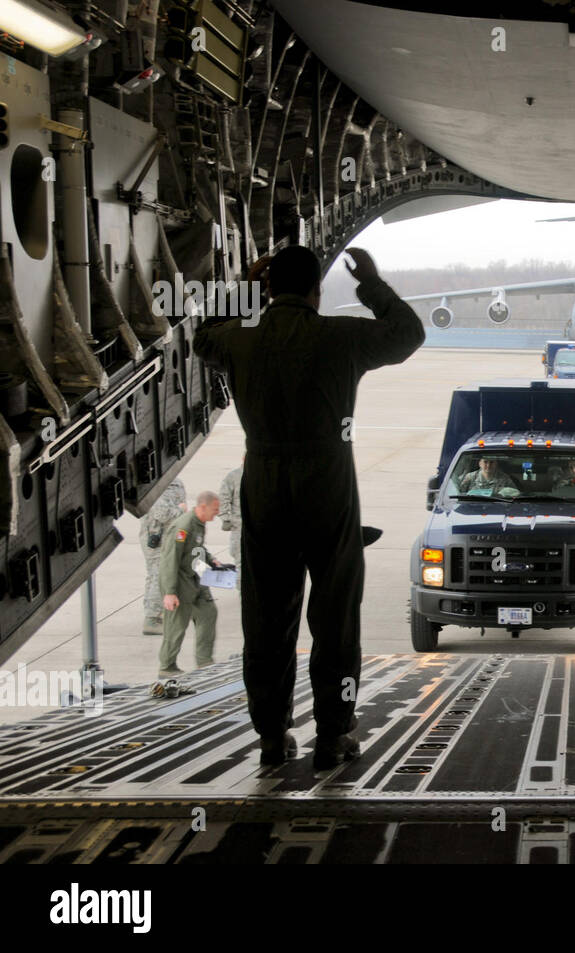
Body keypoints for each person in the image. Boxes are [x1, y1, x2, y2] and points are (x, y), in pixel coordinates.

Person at [193, 245, 425, 769]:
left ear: (269, 289)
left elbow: (201, 337)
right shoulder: (340, 337)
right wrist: (371, 282)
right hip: (327, 480)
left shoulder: (239, 342)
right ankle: (332, 735)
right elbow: (408, 333)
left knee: (268, 619)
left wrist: (247, 287)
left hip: (265, 480)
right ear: (318, 289)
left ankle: (272, 738)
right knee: (335, 618)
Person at [158, 490, 225, 677]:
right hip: (179, 582)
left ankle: (204, 661)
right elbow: (169, 559)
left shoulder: (199, 523)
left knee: (208, 612)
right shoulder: (183, 526)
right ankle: (167, 666)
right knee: (177, 625)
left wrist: (212, 559)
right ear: (203, 506)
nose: (217, 513)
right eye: (215, 509)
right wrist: (169, 592)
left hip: (195, 579)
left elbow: (197, 547)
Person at [140, 480, 187, 635]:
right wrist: (179, 511)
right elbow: (161, 513)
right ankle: (152, 619)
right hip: (156, 539)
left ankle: (155, 613)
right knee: (157, 576)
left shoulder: (175, 483)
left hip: (169, 537)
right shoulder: (153, 486)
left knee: (157, 575)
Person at [219, 457, 244, 587]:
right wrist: (226, 518)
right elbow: (223, 497)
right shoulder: (234, 476)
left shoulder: (262, 475)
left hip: (261, 527)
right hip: (240, 527)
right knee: (242, 563)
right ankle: (244, 594)